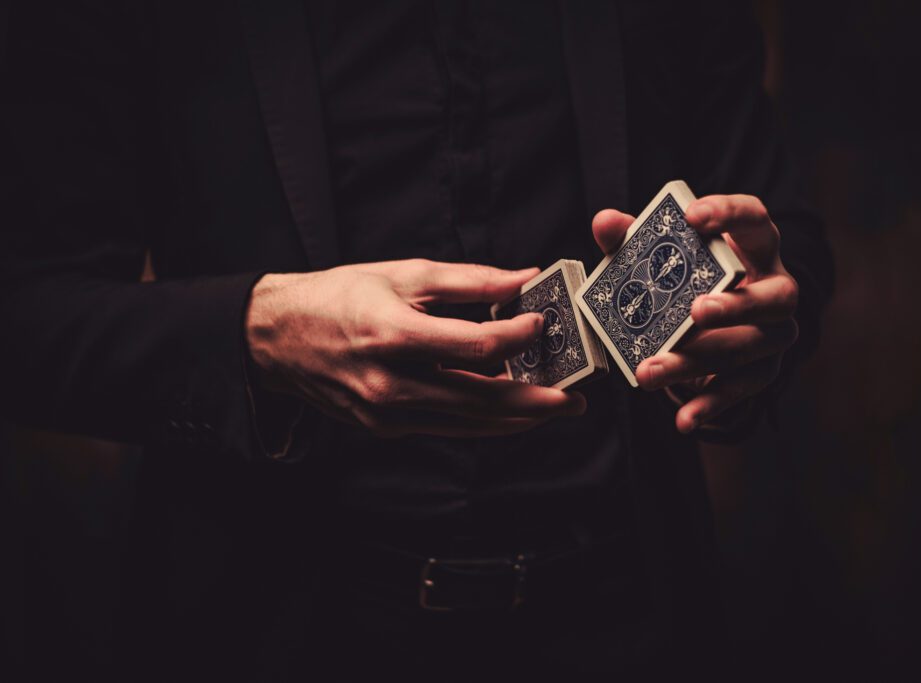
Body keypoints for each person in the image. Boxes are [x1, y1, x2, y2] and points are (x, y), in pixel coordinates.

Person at [0, 0, 832, 679]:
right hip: (271, 626)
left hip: (629, 617)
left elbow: (778, 237)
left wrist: (754, 334)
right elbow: (27, 313)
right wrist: (259, 331)